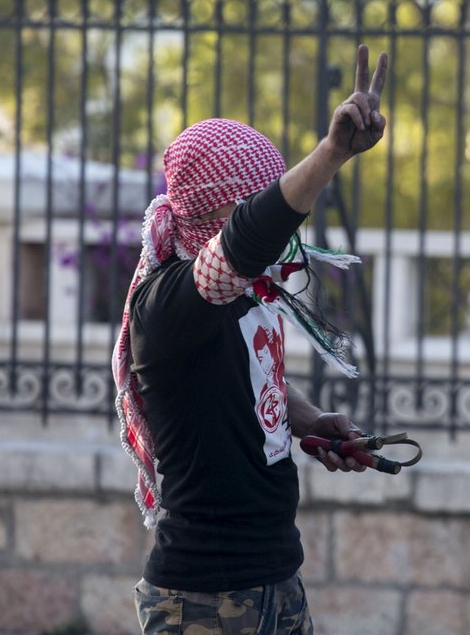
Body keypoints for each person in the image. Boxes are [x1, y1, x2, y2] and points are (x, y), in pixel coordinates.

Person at [111, 44, 389, 635]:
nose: (281, 226)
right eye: (255, 201)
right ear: (225, 212)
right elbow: (245, 240)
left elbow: (243, 376)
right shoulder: (171, 302)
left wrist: (308, 420)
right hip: (203, 602)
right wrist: (332, 153)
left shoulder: (245, 294)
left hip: (276, 582)